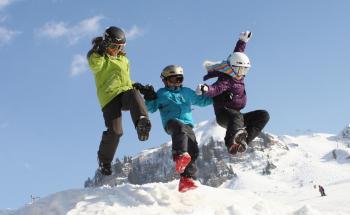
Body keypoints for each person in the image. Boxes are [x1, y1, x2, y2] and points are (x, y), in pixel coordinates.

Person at [133, 65, 212, 192]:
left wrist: (216, 96)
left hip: (188, 125)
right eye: (172, 80)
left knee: (193, 150)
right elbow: (152, 108)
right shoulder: (162, 93)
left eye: (179, 79)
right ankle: (179, 155)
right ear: (165, 81)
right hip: (171, 123)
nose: (176, 83)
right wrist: (149, 96)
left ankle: (186, 179)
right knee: (180, 129)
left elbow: (201, 101)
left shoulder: (186, 92)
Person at [87, 26, 151, 175]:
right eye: (113, 46)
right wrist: (100, 50)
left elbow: (126, 80)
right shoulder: (98, 57)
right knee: (116, 132)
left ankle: (141, 122)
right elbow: (95, 66)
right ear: (106, 43)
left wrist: (138, 86)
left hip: (123, 93)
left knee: (134, 93)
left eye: (120, 46)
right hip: (109, 98)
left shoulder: (124, 59)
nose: (116, 49)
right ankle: (104, 161)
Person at [196, 31, 270, 155]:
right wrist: (206, 89)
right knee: (236, 116)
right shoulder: (226, 80)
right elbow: (216, 89)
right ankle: (231, 142)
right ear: (233, 68)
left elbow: (238, 54)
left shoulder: (239, 75)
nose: (242, 72)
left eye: (245, 70)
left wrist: (242, 41)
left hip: (237, 118)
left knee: (263, 115)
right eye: (240, 69)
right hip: (224, 115)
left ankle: (243, 141)